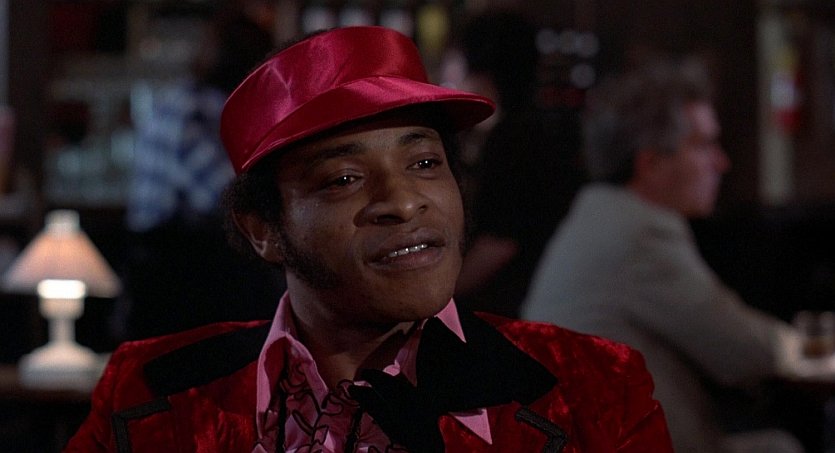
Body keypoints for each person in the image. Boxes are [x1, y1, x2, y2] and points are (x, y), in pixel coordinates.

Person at [66, 26, 673, 452]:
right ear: (264, 231)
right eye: (344, 179)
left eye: (425, 164)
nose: (404, 201)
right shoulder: (147, 391)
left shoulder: (594, 388)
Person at [520, 58, 804, 453]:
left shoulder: (600, 213)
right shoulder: (639, 231)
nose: (722, 163)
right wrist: (816, 347)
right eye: (703, 145)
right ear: (651, 164)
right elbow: (740, 347)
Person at [120, 0, 282, 340]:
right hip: (172, 278)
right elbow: (223, 193)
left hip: (185, 272)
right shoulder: (191, 109)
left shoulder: (200, 103)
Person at [451, 11, 585, 318]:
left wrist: (437, 298)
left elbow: (500, 242)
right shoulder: (533, 129)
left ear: (480, 67)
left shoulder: (516, 141)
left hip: (511, 310)